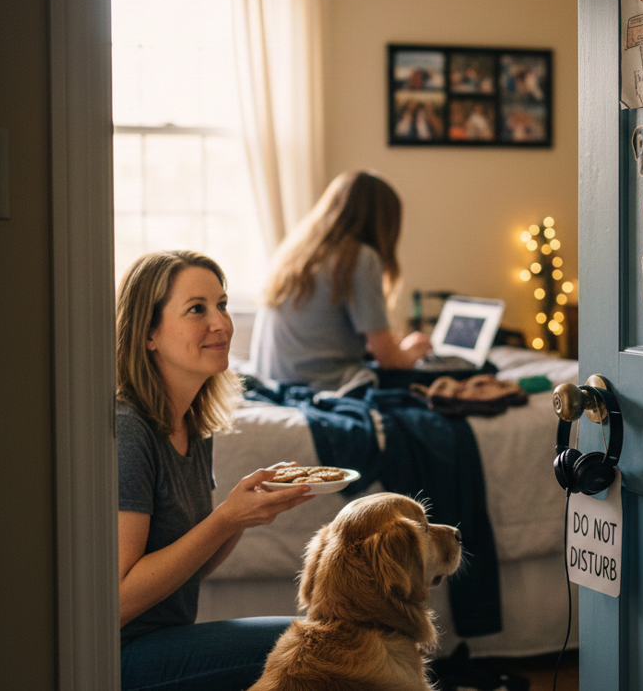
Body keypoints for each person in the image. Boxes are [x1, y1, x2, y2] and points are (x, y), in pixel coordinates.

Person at [118, 250, 315, 691]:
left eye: (222, 305)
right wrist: (225, 518)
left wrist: (245, 515)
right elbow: (117, 601)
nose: (221, 324)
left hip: (166, 640)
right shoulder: (129, 431)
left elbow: (194, 569)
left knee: (326, 640)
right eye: (197, 309)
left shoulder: (191, 422)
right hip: (120, 655)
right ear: (148, 333)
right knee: (321, 644)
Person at [251, 170, 432, 392]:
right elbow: (390, 360)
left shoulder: (297, 253)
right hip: (316, 384)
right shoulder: (359, 257)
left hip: (272, 381)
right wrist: (414, 349)